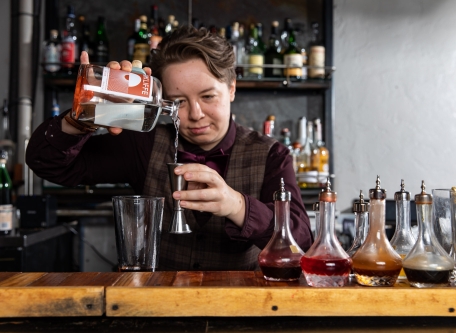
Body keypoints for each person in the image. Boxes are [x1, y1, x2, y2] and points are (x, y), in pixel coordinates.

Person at [26, 26, 313, 271]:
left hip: (238, 309)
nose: (196, 114)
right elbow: (46, 162)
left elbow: (303, 242)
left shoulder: (271, 155)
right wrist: (82, 117)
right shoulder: (144, 143)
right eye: (179, 102)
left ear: (232, 88)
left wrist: (236, 205)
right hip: (155, 310)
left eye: (208, 96)